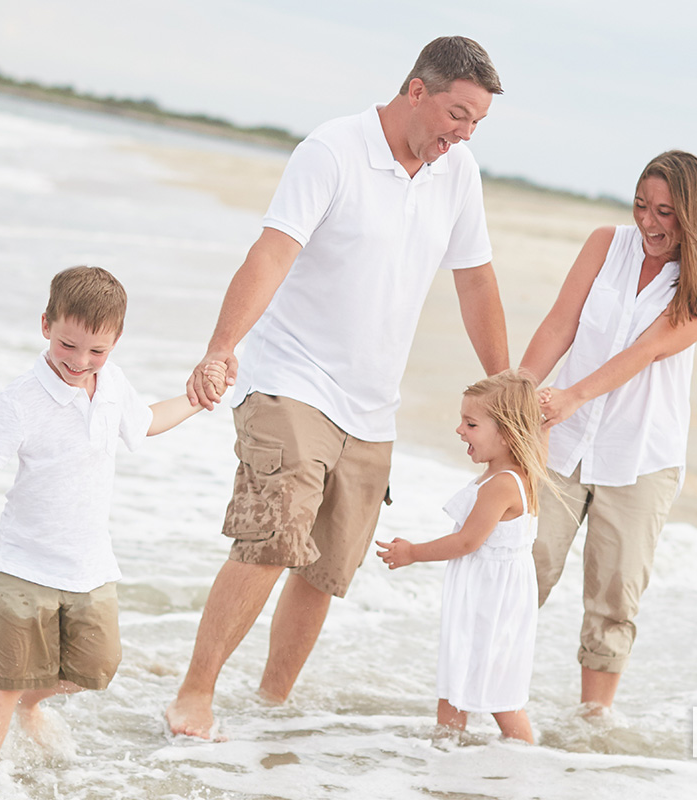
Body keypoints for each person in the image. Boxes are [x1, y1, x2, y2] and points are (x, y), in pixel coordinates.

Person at [166, 36, 510, 739]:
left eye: (476, 122)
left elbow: (475, 279)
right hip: (290, 380)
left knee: (321, 570)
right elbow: (272, 251)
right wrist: (220, 348)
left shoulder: (458, 172)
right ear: (417, 90)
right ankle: (193, 697)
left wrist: (507, 392)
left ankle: (268, 709)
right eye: (457, 113)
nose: (464, 133)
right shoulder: (333, 150)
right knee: (272, 541)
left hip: (371, 405)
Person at [0, 266, 227, 755]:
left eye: (97, 350)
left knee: (95, 668)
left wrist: (199, 400)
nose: (79, 361)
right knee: (7, 676)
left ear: (116, 341)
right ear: (46, 324)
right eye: (68, 345)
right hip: (24, 563)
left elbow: (148, 421)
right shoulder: (22, 399)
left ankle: (29, 706)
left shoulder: (111, 382)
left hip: (89, 565)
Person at [518, 150, 697, 714]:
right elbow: (560, 322)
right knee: (523, 567)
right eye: (641, 206)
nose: (649, 223)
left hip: (640, 458)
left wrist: (571, 395)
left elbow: (645, 352)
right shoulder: (603, 244)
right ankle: (479, 694)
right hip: (561, 443)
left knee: (613, 597)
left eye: (666, 211)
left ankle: (592, 726)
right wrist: (516, 393)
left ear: (692, 212)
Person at [376, 371, 545, 743]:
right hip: (488, 596)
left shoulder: (502, 483)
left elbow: (468, 542)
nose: (459, 430)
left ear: (506, 432)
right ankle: (449, 756)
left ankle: (517, 761)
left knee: (497, 691)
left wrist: (413, 553)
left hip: (490, 601)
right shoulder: (506, 473)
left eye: (470, 424)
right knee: (466, 678)